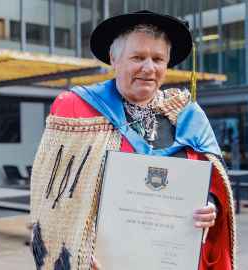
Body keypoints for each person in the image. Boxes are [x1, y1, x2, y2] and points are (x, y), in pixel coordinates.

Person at [30, 10, 235, 270]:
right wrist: (75, 247)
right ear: (114, 59)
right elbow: (52, 198)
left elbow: (216, 186)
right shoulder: (76, 109)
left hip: (173, 258)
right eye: (138, 57)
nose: (149, 68)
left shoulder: (186, 115)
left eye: (158, 59)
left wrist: (211, 206)